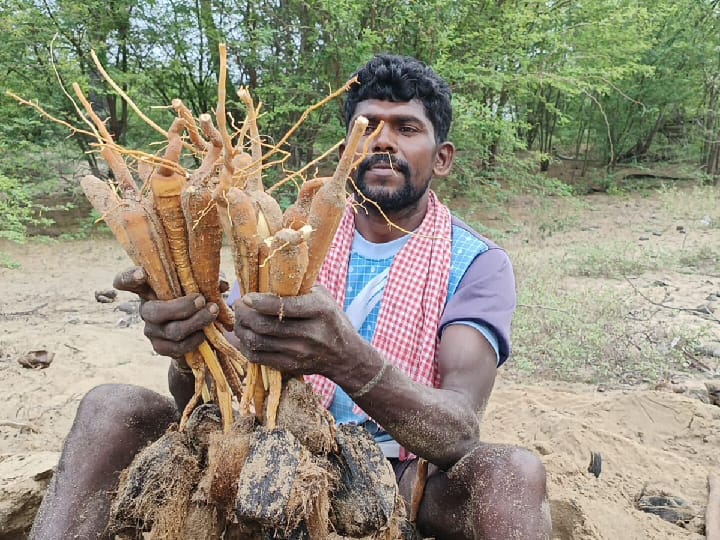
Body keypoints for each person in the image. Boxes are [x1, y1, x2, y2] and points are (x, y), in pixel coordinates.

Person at [30, 54, 550, 539]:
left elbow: (458, 432)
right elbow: (211, 395)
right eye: (367, 127)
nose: (383, 142)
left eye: (406, 128)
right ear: (347, 146)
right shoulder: (280, 236)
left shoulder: (477, 264)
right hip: (266, 449)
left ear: (442, 159)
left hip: (400, 479)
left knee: (512, 473)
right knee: (111, 407)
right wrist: (190, 349)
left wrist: (346, 360)